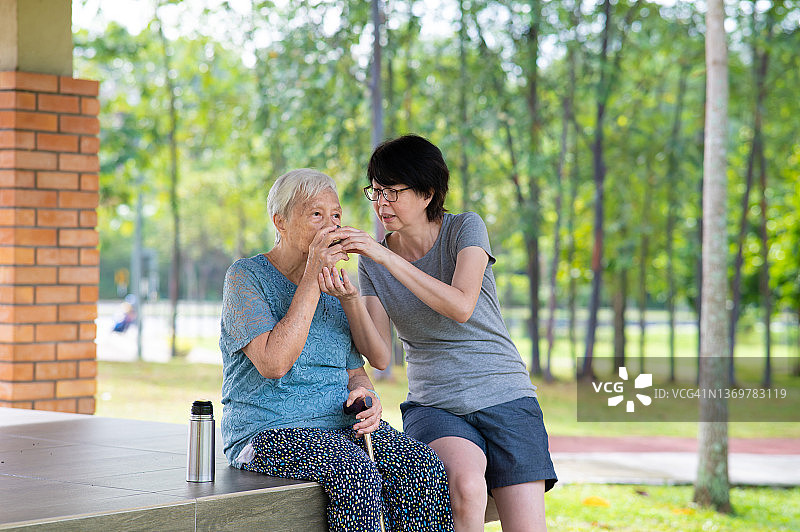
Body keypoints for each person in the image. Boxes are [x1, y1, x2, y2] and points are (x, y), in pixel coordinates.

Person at [339, 135, 557, 531]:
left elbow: (460, 305)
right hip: (435, 403)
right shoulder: (372, 261)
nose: (380, 202)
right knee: (467, 487)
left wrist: (384, 255)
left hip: (505, 393)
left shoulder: (464, 229)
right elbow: (381, 355)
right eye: (375, 190)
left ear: (428, 193)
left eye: (392, 192)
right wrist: (352, 296)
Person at [219, 168, 453, 531]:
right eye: (316, 215)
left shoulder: (336, 286)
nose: (331, 226)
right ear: (280, 221)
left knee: (422, 467)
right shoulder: (246, 278)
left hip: (342, 430)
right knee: (355, 474)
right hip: (269, 432)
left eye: (336, 216)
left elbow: (355, 371)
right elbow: (274, 363)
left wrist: (368, 395)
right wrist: (312, 274)